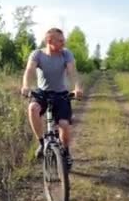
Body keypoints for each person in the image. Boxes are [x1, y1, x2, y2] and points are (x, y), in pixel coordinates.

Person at [20, 27, 83, 168]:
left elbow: (73, 72)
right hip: (43, 93)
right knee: (32, 108)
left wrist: (77, 87)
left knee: (64, 125)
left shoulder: (66, 54)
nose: (63, 43)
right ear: (49, 41)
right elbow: (29, 71)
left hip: (61, 94)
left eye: (63, 40)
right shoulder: (37, 54)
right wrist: (25, 85)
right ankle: (42, 143)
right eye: (60, 41)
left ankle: (66, 152)